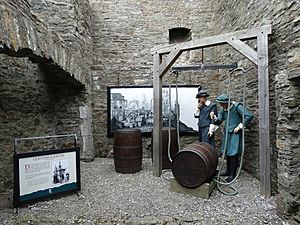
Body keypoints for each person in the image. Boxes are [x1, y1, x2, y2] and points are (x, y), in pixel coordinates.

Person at [213, 93, 254, 182]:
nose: (221, 105)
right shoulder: (224, 109)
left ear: (227, 102)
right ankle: (228, 171)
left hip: (235, 133)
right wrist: (214, 118)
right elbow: (219, 120)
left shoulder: (237, 107)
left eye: (222, 104)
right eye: (220, 104)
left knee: (233, 152)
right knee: (227, 151)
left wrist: (240, 126)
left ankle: (232, 173)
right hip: (227, 133)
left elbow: (249, 115)